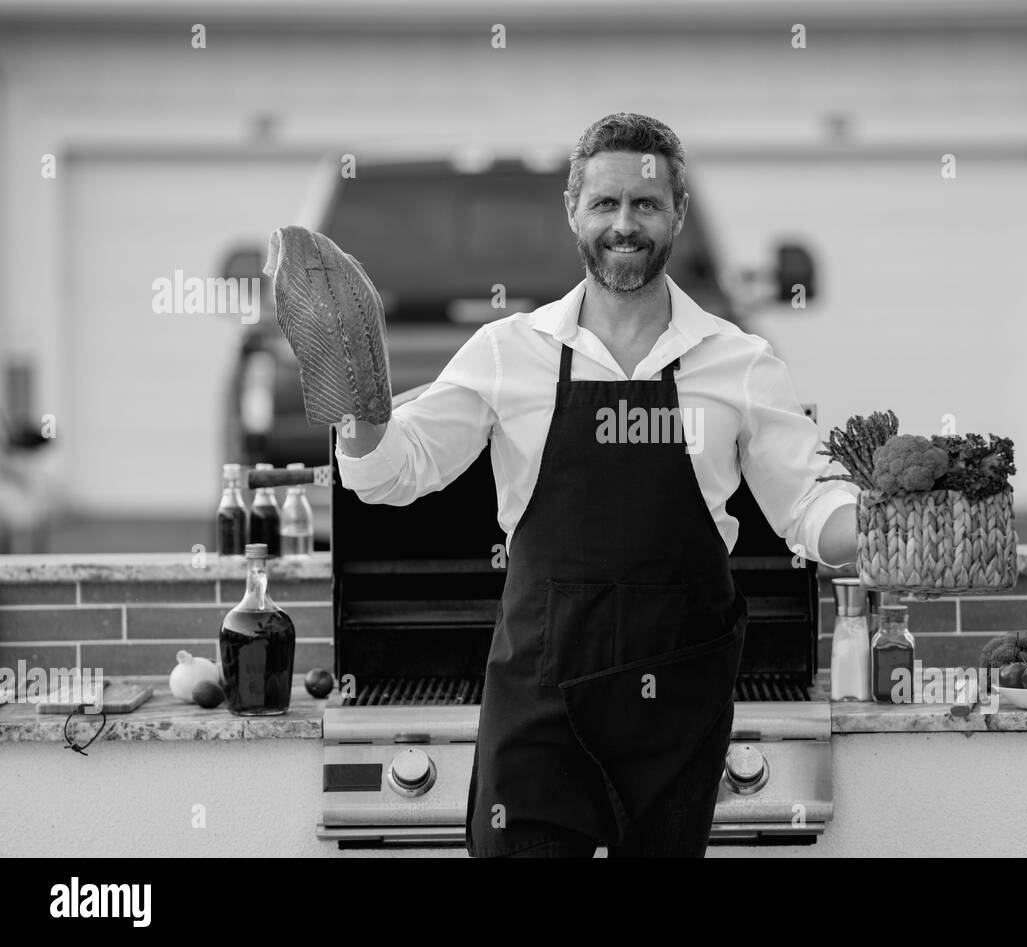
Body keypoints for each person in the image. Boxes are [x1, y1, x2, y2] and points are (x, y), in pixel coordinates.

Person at [334, 112, 859, 857]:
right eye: (606, 203)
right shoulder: (507, 352)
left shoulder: (738, 362)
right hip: (541, 705)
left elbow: (810, 503)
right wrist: (354, 406)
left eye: (646, 204)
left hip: (674, 712)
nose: (625, 223)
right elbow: (396, 470)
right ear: (574, 212)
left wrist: (877, 527)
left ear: (677, 212)